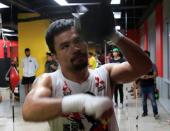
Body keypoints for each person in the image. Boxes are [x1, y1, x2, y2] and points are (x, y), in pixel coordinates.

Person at [22, 19, 152, 131]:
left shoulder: (105, 73)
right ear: (55, 56)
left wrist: (114, 35)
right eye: (65, 46)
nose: (75, 48)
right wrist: (79, 102)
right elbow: (29, 110)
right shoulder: (50, 81)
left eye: (78, 40)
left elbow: (144, 66)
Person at [139, 51, 159, 119]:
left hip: (150, 86)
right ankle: (145, 112)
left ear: (149, 57)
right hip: (142, 86)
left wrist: (148, 77)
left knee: (153, 100)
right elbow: (137, 75)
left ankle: (155, 113)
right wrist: (141, 77)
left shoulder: (152, 65)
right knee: (143, 101)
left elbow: (156, 74)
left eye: (147, 56)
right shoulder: (140, 65)